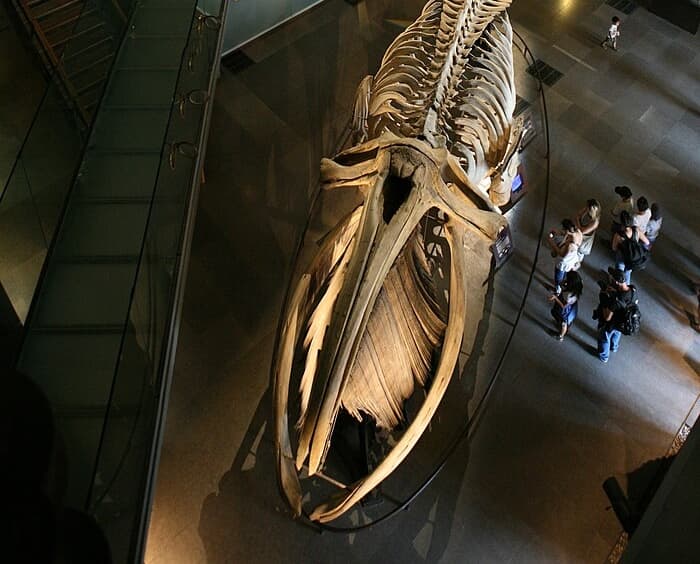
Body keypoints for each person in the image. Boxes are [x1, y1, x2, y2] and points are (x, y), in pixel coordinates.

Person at [595, 269, 635, 363]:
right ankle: (614, 347)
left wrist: (603, 298)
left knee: (604, 337)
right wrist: (614, 292)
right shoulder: (632, 290)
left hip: (613, 322)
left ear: (616, 282)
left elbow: (607, 317)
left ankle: (604, 356)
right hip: (623, 321)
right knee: (617, 333)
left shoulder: (616, 301)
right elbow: (624, 299)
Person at [612, 211, 650, 284]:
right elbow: (647, 242)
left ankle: (617, 284)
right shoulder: (636, 230)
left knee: (619, 273)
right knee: (627, 272)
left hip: (622, 256)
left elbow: (614, 248)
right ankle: (626, 286)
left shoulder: (619, 235)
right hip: (632, 258)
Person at [547, 218, 582, 294]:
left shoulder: (570, 245)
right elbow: (567, 234)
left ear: (567, 230)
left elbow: (561, 254)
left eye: (563, 229)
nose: (562, 230)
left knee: (558, 276)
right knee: (565, 273)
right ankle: (561, 281)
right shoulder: (578, 232)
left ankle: (557, 290)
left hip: (564, 262)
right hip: (572, 259)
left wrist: (551, 243)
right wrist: (559, 233)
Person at [548, 271, 583, 341]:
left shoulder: (568, 295)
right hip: (572, 307)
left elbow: (564, 306)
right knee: (565, 322)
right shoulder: (579, 285)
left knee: (564, 323)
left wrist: (555, 298)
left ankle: (561, 336)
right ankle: (563, 329)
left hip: (566, 311)